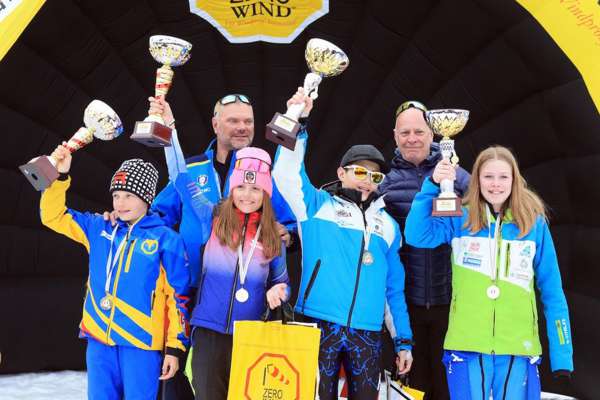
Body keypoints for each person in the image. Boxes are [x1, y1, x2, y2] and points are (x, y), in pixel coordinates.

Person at [272, 89, 413, 400]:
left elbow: (392, 289)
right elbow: (284, 173)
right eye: (360, 172)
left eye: (375, 176)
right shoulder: (316, 205)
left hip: (367, 332)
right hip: (317, 322)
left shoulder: (388, 226)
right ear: (341, 173)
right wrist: (299, 121)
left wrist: (403, 340)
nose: (367, 180)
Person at [404, 146, 574, 399]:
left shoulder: (533, 223)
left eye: (503, 177)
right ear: (477, 180)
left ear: (514, 180)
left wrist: (562, 355)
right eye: (488, 177)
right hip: (466, 345)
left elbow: (552, 292)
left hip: (518, 347)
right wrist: (431, 184)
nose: (496, 184)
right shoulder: (461, 216)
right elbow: (417, 235)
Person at [40, 145, 190, 400]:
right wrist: (60, 177)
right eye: (116, 195)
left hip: (141, 344)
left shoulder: (166, 240)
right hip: (99, 338)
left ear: (147, 198)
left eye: (129, 196)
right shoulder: (98, 227)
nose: (121, 203)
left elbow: (178, 298)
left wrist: (174, 348)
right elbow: (52, 216)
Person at [165, 137, 290, 399]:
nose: (247, 194)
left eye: (255, 188)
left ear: (266, 194)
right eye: (241, 186)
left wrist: (278, 291)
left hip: (251, 335)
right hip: (209, 330)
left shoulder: (272, 238)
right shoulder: (211, 219)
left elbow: (282, 282)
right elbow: (179, 175)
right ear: (231, 188)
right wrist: (170, 130)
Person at [377, 100, 469, 399]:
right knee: (413, 388)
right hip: (407, 307)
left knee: (450, 388)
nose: (412, 138)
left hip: (452, 304)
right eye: (405, 133)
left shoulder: (460, 178)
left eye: (419, 131)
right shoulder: (384, 187)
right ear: (395, 136)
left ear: (433, 135)